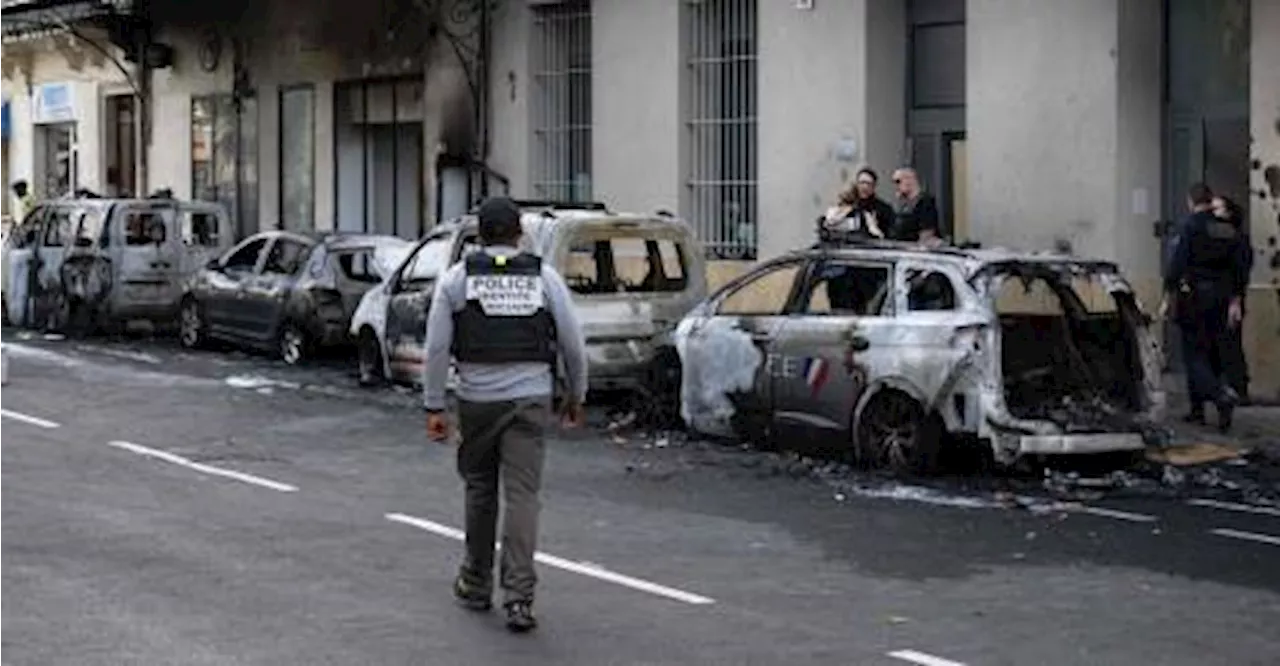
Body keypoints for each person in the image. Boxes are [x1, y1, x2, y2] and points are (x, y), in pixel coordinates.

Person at [422, 196, 588, 633]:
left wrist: (434, 405)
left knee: (479, 489)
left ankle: (475, 583)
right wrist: (576, 395)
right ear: (519, 234)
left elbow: (437, 348)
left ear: (480, 235)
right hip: (532, 398)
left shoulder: (456, 280)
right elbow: (572, 342)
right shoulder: (544, 278)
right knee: (522, 496)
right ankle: (519, 598)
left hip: (476, 399)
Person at [1161, 183, 1250, 432]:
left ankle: (1220, 395)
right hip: (1222, 298)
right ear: (1210, 201)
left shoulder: (1190, 226)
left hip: (1195, 297)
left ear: (1191, 201)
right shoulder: (1226, 229)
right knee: (1211, 352)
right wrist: (1236, 298)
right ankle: (1198, 410)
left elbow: (1177, 265)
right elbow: (1239, 267)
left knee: (1194, 355)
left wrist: (1168, 294)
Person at [1211, 194, 1252, 402]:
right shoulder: (1219, 238)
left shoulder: (1237, 240)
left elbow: (1240, 272)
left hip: (1231, 299)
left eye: (1217, 209)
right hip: (1223, 298)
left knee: (1230, 344)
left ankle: (1238, 387)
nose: (1213, 213)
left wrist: (1236, 300)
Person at [819, 167, 895, 240]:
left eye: (868, 184)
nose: (865, 187)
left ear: (874, 186)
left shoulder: (883, 209)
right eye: (862, 183)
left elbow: (888, 235)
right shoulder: (848, 206)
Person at [890, 167, 942, 245]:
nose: (896, 186)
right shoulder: (905, 206)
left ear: (909, 180)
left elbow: (927, 235)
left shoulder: (925, 203)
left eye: (898, 181)